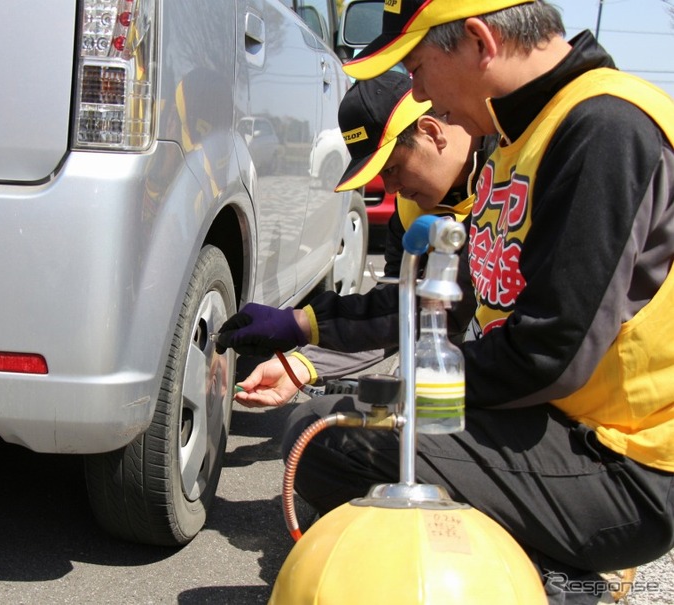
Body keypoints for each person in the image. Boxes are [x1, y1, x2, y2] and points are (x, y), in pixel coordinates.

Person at [218, 1, 674, 603]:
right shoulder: (515, 143)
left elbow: (550, 354)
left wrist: (398, 394)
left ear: (480, 42)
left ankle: (566, 581)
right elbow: (452, 304)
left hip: (623, 462)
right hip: (553, 423)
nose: (421, 92)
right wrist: (305, 328)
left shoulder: (605, 130)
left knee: (334, 442)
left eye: (418, 68)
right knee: (319, 433)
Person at [233, 70, 496, 408]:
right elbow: (399, 312)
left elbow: (442, 310)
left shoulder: (506, 174)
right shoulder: (409, 209)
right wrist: (305, 364)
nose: (389, 188)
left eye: (391, 168)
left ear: (430, 132)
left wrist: (303, 323)